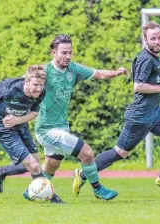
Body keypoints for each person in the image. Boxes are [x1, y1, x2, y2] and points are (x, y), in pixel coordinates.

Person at [73, 21, 160, 196]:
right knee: (120, 152)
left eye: (159, 37)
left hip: (154, 112)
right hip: (139, 115)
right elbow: (138, 86)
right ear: (145, 39)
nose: (157, 41)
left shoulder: (154, 57)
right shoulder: (145, 59)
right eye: (153, 38)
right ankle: (83, 172)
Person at [34, 34, 127, 202]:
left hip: (61, 127)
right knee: (87, 153)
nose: (68, 56)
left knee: (52, 165)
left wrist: (116, 72)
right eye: (63, 52)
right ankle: (98, 189)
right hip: (46, 129)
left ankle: (32, 190)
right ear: (53, 52)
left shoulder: (73, 69)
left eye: (70, 52)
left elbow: (98, 74)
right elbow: (24, 86)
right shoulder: (44, 71)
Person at [0, 65, 63, 201]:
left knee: (35, 163)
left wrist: (17, 120)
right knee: (34, 166)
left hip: (20, 124)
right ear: (26, 82)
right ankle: (51, 198)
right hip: (3, 127)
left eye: (41, 85)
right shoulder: (10, 88)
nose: (38, 88)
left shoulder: (41, 93)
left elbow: (34, 113)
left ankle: (1, 172)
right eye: (35, 84)